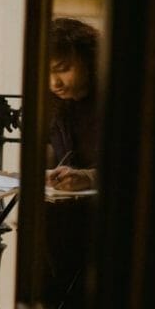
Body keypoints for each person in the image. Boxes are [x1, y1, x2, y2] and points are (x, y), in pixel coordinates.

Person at [45, 17, 100, 191]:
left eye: (62, 69)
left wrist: (89, 178)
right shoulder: (52, 105)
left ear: (89, 61)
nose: (54, 83)